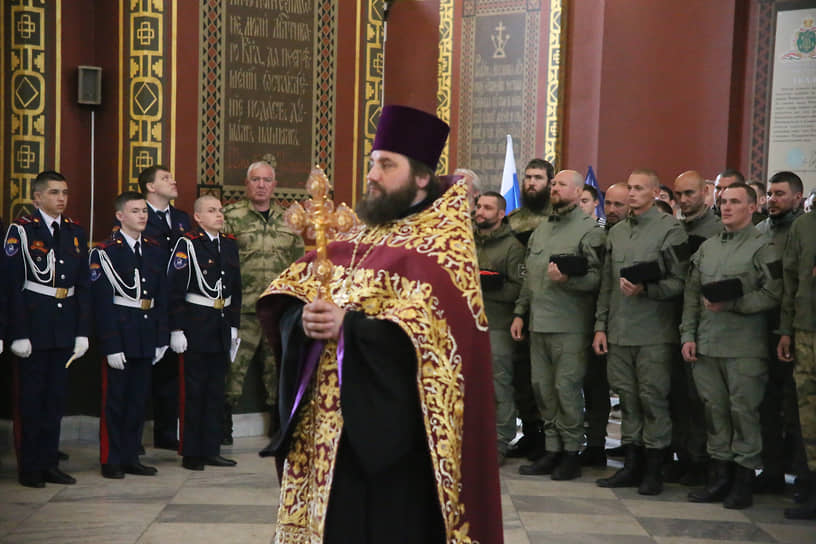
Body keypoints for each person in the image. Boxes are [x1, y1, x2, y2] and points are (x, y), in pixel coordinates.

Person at [256, 105, 502, 543]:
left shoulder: (440, 249)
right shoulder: (355, 234)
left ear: (421, 177)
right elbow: (291, 296)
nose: (372, 174)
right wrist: (304, 317)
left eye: (387, 165)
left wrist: (348, 328)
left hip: (392, 441)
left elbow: (438, 343)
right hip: (328, 437)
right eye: (372, 163)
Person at [681, 183, 782, 509]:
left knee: (744, 415)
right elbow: (692, 295)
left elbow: (773, 293)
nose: (726, 207)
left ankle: (743, 481)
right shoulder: (708, 248)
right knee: (715, 414)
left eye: (735, 202)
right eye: (723, 202)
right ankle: (720, 477)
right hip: (708, 346)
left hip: (744, 348)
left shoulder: (764, 247)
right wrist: (688, 335)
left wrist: (735, 305)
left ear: (752, 207)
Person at [593, 169, 689, 496]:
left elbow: (680, 283)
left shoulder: (670, 231)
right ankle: (631, 465)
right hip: (619, 330)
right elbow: (607, 284)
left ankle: (653, 469)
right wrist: (600, 327)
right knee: (628, 400)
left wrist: (647, 289)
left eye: (638, 188)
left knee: (653, 401)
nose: (632, 194)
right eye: (629, 187)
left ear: (655, 193)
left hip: (654, 332)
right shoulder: (617, 233)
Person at [511, 170, 606, 480]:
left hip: (570, 325)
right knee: (543, 389)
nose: (553, 188)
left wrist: (568, 281)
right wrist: (520, 313)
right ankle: (552, 449)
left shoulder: (589, 231)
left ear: (579, 192)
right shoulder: (541, 231)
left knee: (566, 389)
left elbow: (597, 280)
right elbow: (530, 277)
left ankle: (571, 451)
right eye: (553, 184)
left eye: (560, 184)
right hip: (539, 324)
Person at [4, 170, 90, 488]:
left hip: (63, 325)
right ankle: (30, 467)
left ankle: (49, 463)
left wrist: (82, 331)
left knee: (55, 401)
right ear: (37, 197)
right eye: (54, 192)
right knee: (31, 401)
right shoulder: (22, 231)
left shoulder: (75, 231)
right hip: (34, 325)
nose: (61, 198)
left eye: (65, 192)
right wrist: (17, 332)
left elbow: (83, 286)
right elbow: (12, 286)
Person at [222, 160, 304, 446]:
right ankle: (221, 432)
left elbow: (298, 265)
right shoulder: (230, 216)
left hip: (276, 309)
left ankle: (279, 430)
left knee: (277, 371)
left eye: (266, 180)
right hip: (241, 309)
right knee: (231, 370)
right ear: (247, 184)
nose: (261, 185)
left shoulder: (289, 220)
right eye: (255, 180)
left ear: (274, 185)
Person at [90, 191, 169, 479]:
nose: (142, 216)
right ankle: (111, 459)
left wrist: (161, 337)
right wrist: (110, 344)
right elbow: (101, 303)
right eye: (135, 211)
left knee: (138, 400)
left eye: (144, 211)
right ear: (120, 216)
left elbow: (160, 297)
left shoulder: (154, 248)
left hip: (146, 332)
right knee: (115, 400)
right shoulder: (106, 251)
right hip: (121, 333)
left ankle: (131, 456)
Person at [167, 195, 241, 471]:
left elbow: (237, 288)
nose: (219, 215)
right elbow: (175, 290)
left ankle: (211, 449)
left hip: (220, 325)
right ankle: (191, 451)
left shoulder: (229, 245)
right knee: (194, 392)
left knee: (215, 392)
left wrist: (234, 325)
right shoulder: (187, 245)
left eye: (220, 210)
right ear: (197, 217)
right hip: (195, 326)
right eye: (212, 211)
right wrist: (176, 329)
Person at [670, 170, 722, 485]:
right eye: (679, 195)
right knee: (676, 396)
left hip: (707, 326)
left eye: (690, 193)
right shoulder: (674, 230)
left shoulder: (717, 229)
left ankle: (704, 460)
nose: (684, 200)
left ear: (705, 192)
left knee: (701, 398)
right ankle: (684, 456)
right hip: (672, 322)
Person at [755, 171, 805, 495]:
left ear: (797, 198)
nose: (773, 200)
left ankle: (802, 474)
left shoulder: (802, 232)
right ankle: (771, 469)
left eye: (780, 194)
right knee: (767, 403)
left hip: (795, 328)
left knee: (797, 406)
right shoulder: (759, 230)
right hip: (761, 327)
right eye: (770, 194)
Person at [137, 165, 191, 450]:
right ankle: (132, 437)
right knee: (143, 371)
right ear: (150, 187)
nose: (173, 181)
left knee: (171, 373)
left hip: (177, 303)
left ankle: (167, 432)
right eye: (165, 178)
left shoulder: (181, 219)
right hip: (147, 302)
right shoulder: (139, 215)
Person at [504, 158, 554, 459]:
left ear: (550, 182)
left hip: (548, 304)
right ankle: (531, 431)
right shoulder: (513, 220)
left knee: (546, 376)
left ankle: (552, 436)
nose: (531, 183)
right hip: (515, 304)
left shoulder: (555, 219)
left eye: (537, 178)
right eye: (527, 178)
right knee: (521, 374)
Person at [474, 191, 525, 465]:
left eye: (487, 208)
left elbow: (520, 288)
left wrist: (490, 285)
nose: (480, 211)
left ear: (501, 214)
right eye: (479, 206)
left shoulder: (512, 247)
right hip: (469, 324)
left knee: (498, 385)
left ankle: (500, 440)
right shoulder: (466, 240)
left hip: (498, 324)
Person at [778, 202, 816, 519]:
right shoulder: (804, 226)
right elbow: (790, 280)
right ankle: (811, 485)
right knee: (808, 413)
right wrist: (786, 330)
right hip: (806, 329)